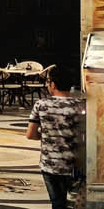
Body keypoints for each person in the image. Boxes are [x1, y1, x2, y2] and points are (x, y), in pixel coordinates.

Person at [27, 62, 85, 209]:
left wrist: (46, 136)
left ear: (53, 84)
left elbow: (30, 134)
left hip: (50, 165)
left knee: (57, 203)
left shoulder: (41, 105)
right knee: (75, 204)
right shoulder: (81, 105)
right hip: (74, 165)